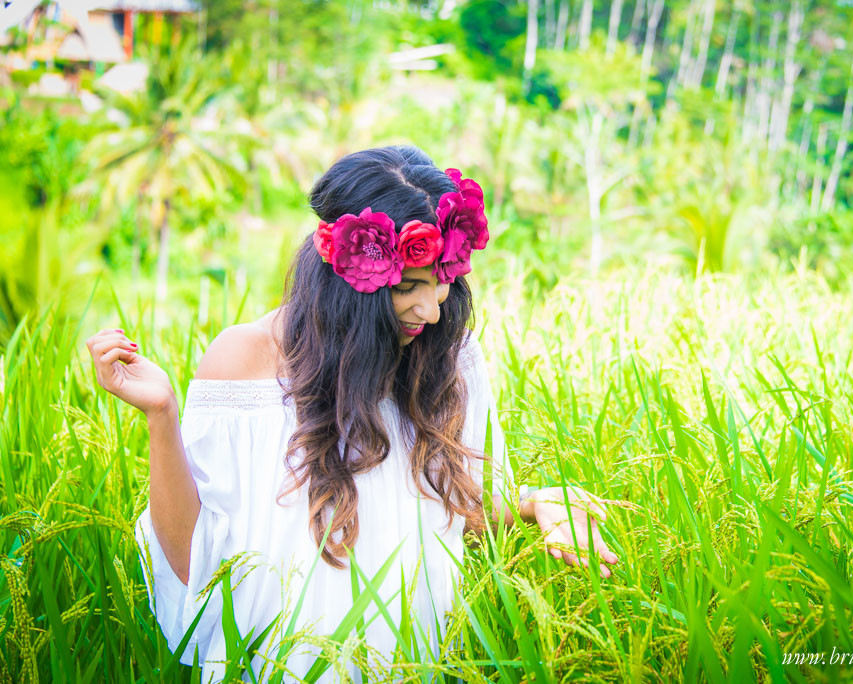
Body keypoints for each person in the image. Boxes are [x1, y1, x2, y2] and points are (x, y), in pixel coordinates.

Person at [86, 146, 619, 683]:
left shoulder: (447, 356)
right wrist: (161, 415)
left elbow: (452, 517)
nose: (432, 309)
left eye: (442, 282)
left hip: (417, 667)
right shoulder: (244, 362)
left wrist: (534, 507)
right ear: (349, 277)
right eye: (409, 287)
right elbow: (195, 563)